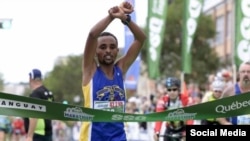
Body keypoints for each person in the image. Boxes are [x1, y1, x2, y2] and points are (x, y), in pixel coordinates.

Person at [80, 1, 146, 141]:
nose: (108, 50)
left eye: (112, 47)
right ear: (96, 52)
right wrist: (111, 17)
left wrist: (126, 19)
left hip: (118, 137)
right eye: (102, 47)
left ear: (117, 50)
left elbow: (141, 39)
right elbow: (92, 35)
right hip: (92, 138)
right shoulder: (90, 71)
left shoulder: (120, 70)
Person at [154, 77, 190, 141]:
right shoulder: (162, 101)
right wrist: (157, 132)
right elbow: (159, 118)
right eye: (169, 90)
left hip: (183, 129)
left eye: (174, 89)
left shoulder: (186, 100)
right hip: (170, 129)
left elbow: (191, 117)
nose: (172, 92)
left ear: (179, 90)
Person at [24, 69, 54, 141]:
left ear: (31, 79)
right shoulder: (49, 93)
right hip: (48, 131)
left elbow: (34, 114)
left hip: (37, 133)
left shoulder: (35, 94)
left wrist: (29, 136)